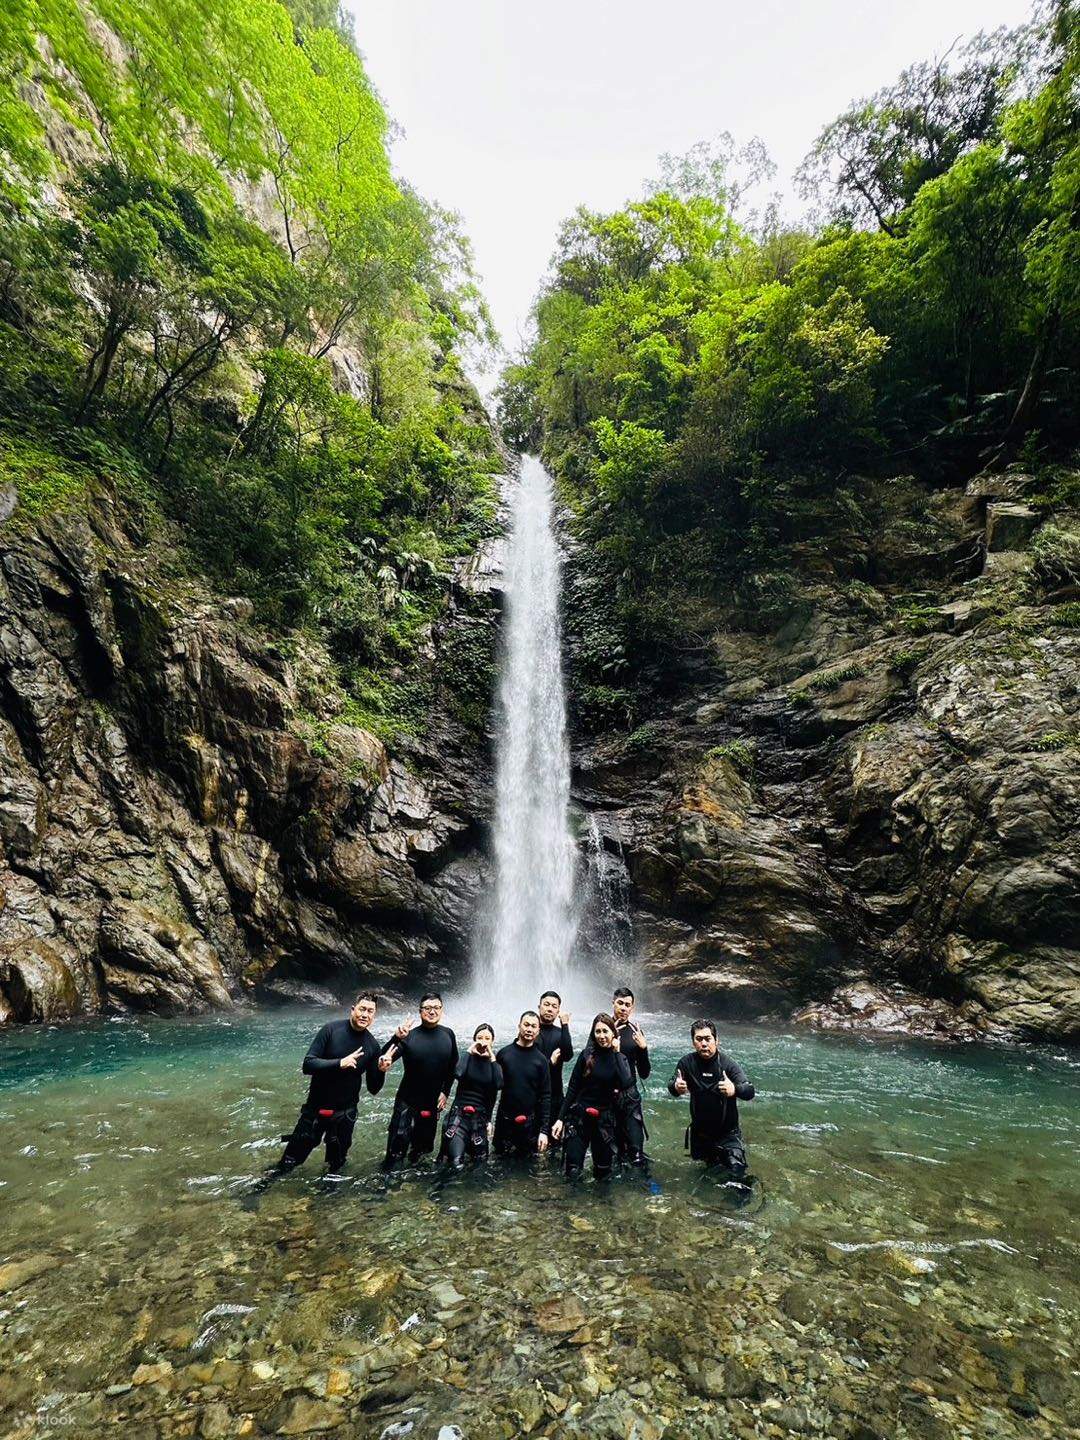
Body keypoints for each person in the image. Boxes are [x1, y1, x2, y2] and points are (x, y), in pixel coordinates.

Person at [274, 991, 385, 1176]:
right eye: (362, 1009)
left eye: (370, 1011)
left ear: (374, 1016)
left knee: (336, 1167)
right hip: (315, 1110)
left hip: (345, 1115)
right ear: (352, 1010)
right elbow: (308, 1064)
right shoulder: (331, 1030)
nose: (365, 1015)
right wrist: (339, 1063)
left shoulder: (372, 1046)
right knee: (289, 1161)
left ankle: (325, 1203)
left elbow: (374, 1088)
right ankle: (259, 1190)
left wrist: (381, 1071)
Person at [379, 994, 458, 1167]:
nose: (432, 1011)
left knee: (422, 1151)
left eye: (436, 1007)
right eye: (427, 1008)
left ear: (442, 1010)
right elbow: (385, 1056)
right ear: (420, 1011)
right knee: (395, 1150)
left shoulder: (448, 1034)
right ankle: (386, 1186)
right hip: (407, 1101)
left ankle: (415, 1188)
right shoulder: (409, 1036)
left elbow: (452, 1067)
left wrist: (445, 1092)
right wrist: (396, 1038)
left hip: (431, 1102)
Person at [668, 1019, 755, 1176]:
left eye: (708, 1039)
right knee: (707, 1176)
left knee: (737, 1172)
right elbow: (672, 1085)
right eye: (699, 1039)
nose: (704, 1044)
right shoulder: (686, 1063)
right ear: (693, 1042)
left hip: (728, 1135)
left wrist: (734, 1089)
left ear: (716, 1040)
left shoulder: (728, 1065)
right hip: (700, 1135)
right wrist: (676, 1086)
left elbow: (750, 1090)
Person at [551, 1013, 633, 1179]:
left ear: (613, 1033)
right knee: (572, 1171)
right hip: (579, 1119)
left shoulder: (620, 1058)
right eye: (598, 1032)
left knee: (603, 1172)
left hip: (605, 1121)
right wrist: (560, 1119)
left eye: (605, 1031)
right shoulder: (586, 1055)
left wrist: (617, 1052)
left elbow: (626, 1083)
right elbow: (573, 1089)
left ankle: (601, 1204)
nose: (602, 1036)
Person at [439, 1023, 501, 1168]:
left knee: (480, 1164)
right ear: (474, 1039)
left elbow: (497, 1086)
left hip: (479, 1118)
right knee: (455, 1162)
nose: (483, 1041)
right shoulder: (466, 1058)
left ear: (493, 1041)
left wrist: (489, 1121)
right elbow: (458, 1073)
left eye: (487, 1038)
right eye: (479, 1037)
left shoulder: (494, 1064)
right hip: (459, 1116)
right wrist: (469, 1051)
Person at [493, 1012, 552, 1159]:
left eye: (533, 1026)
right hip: (504, 1121)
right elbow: (492, 1089)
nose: (529, 1029)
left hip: (529, 1123)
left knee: (526, 1168)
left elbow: (545, 1096)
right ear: (519, 1026)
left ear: (538, 1031)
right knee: (498, 1164)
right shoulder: (503, 1054)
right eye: (526, 1025)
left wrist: (544, 1131)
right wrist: (488, 1121)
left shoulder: (541, 1060)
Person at [610, 986, 650, 1168]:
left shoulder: (636, 1032)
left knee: (636, 1153)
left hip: (630, 1096)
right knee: (611, 1152)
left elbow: (644, 1073)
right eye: (620, 1003)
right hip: (606, 1097)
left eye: (627, 1005)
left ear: (632, 1008)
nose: (623, 1008)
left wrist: (643, 1049)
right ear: (613, 1003)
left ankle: (649, 1192)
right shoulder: (602, 1030)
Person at [534, 991, 573, 1142]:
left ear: (558, 1011)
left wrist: (565, 1025)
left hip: (555, 1096)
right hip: (533, 1097)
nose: (550, 1009)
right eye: (546, 1004)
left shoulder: (560, 1033)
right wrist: (549, 1063)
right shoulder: (530, 1031)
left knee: (555, 1144)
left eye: (554, 1006)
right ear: (539, 1006)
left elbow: (568, 1055)